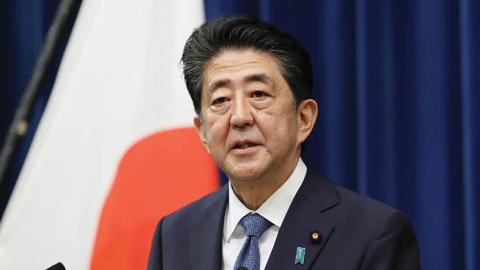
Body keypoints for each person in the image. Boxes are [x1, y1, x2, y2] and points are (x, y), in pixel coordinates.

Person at [147, 16, 420, 270]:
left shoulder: (373, 234)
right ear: (202, 132)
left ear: (304, 119)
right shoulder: (174, 235)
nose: (240, 117)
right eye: (221, 101)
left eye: (258, 94)